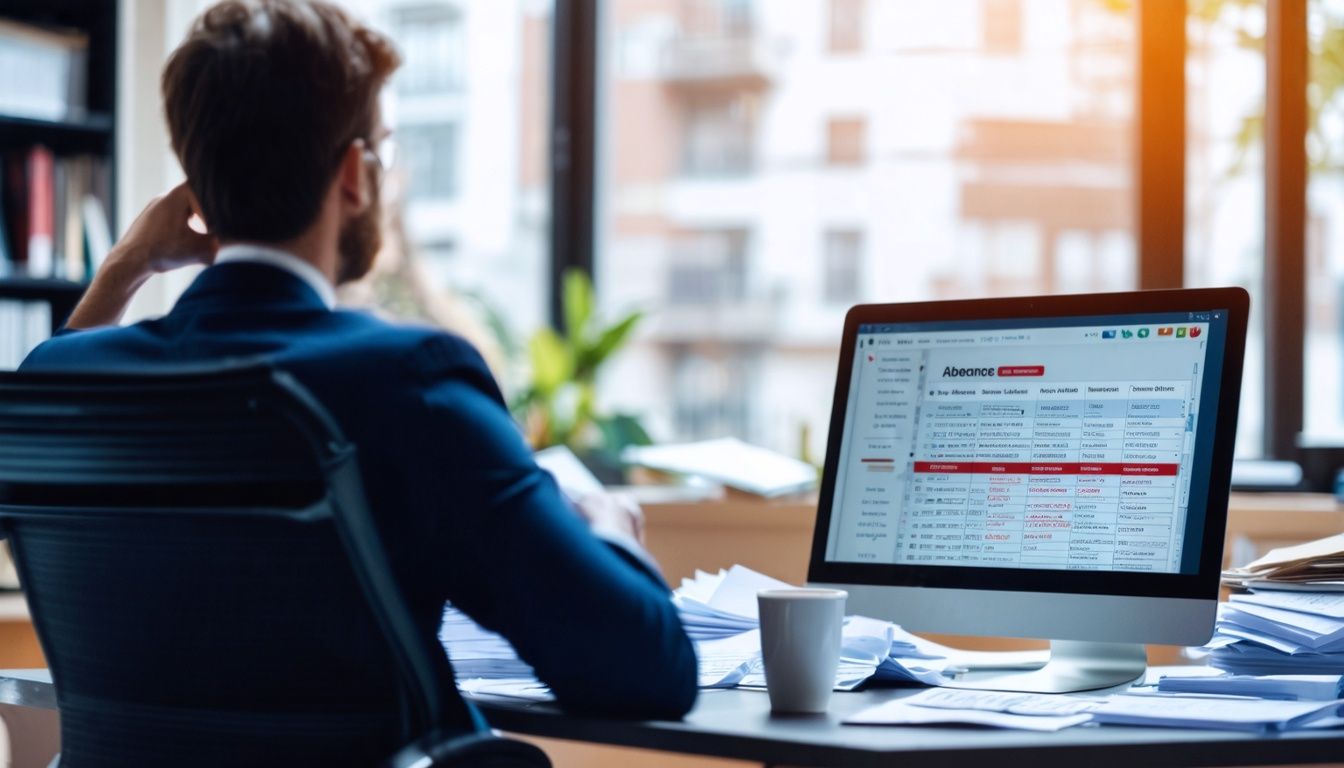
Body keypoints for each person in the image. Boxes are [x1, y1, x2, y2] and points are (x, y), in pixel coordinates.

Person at [19, 0, 697, 756]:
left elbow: (55, 383)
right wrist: (612, 532)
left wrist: (124, 267)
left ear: (196, 186)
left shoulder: (64, 388)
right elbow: (646, 669)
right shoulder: (407, 381)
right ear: (353, 174)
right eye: (381, 150)